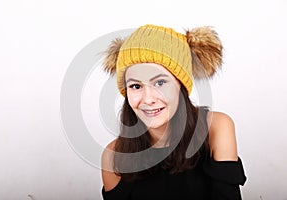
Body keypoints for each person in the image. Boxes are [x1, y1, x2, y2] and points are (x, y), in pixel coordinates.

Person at [100, 24, 246, 200]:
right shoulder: (113, 156)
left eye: (160, 83)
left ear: (181, 85)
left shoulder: (216, 127)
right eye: (136, 86)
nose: (148, 99)